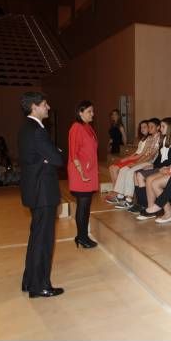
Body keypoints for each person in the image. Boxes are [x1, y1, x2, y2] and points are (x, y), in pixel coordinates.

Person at [18, 91, 64, 298]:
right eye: (45, 104)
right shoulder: (37, 130)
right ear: (34, 107)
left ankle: (29, 281)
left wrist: (49, 157)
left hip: (34, 190)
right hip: (43, 192)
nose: (48, 107)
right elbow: (57, 159)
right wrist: (56, 154)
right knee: (44, 241)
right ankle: (40, 286)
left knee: (36, 238)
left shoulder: (25, 128)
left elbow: (47, 158)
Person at [129, 117, 171, 214]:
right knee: (137, 173)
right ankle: (141, 203)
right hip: (160, 167)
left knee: (140, 175)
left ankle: (145, 204)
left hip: (166, 168)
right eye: (161, 126)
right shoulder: (164, 139)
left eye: (163, 126)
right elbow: (159, 158)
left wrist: (156, 167)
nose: (161, 129)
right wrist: (153, 165)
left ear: (170, 128)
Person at [107, 118, 161, 206]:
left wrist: (136, 163)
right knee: (123, 169)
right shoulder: (151, 138)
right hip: (144, 161)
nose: (149, 128)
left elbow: (150, 156)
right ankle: (120, 195)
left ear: (158, 128)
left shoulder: (158, 139)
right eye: (149, 126)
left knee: (130, 172)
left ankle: (129, 199)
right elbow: (144, 155)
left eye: (151, 126)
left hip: (150, 163)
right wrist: (136, 163)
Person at [67, 100, 99, 249]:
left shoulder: (87, 127)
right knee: (83, 206)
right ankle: (82, 237)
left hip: (89, 171)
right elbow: (74, 154)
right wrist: (82, 173)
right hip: (81, 172)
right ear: (80, 113)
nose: (92, 114)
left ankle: (82, 236)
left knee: (86, 207)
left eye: (92, 111)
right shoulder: (76, 127)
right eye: (89, 112)